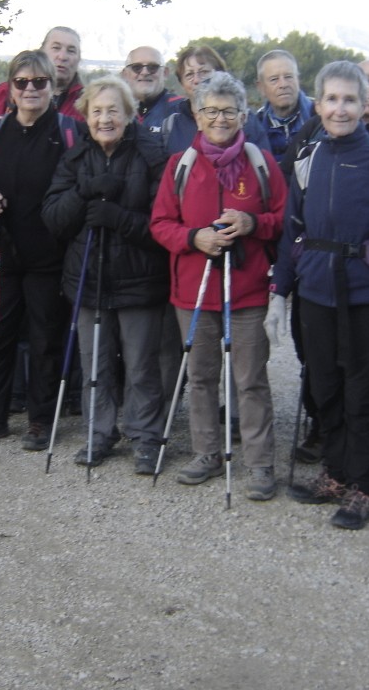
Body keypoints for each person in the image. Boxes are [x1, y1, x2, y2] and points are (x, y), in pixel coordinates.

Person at [268, 61, 369, 529]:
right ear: (317, 104)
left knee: (362, 391)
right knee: (324, 387)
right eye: (332, 100)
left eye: (350, 100)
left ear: (365, 105)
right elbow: (292, 232)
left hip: (368, 296)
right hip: (316, 293)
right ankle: (335, 473)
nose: (340, 109)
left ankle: (362, 483)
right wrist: (280, 291)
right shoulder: (307, 160)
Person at [150, 71, 286, 501]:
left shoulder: (262, 164)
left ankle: (260, 463)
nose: (220, 118)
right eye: (211, 110)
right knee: (202, 377)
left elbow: (284, 221)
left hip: (247, 292)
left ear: (244, 114)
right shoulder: (180, 166)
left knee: (250, 380)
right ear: (197, 114)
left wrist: (253, 223)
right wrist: (195, 238)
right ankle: (207, 452)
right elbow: (159, 225)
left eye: (229, 110)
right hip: (194, 290)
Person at [42, 76, 171, 473]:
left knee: (141, 365)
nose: (105, 118)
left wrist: (121, 220)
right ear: (85, 116)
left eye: (114, 109)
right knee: (94, 362)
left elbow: (164, 226)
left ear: (129, 113)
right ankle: (99, 433)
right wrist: (82, 194)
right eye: (97, 111)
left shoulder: (152, 154)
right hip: (88, 277)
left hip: (139, 279)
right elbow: (53, 220)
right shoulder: (75, 158)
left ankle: (146, 437)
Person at [0, 50, 72, 451]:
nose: (30, 89)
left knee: (44, 341)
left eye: (39, 82)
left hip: (48, 257)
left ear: (52, 87)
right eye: (22, 82)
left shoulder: (68, 132)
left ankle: (40, 420)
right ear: (11, 87)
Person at [161, 44, 270, 154]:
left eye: (203, 72)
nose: (197, 80)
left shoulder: (245, 120)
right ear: (182, 83)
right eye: (189, 74)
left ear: (220, 74)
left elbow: (263, 164)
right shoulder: (173, 125)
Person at [0, 27, 84, 122]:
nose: (62, 57)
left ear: (79, 58)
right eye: (56, 48)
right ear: (42, 52)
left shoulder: (86, 101)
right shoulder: (8, 91)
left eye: (71, 51)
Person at [254, 49, 313, 160]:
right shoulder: (255, 126)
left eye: (289, 77)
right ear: (261, 87)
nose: (283, 84)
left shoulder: (321, 116)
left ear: (298, 80)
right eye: (274, 79)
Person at [121, 45, 183, 134]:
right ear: (125, 74)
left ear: (165, 73)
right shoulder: (114, 110)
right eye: (137, 67)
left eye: (153, 67)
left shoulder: (182, 109)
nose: (145, 72)